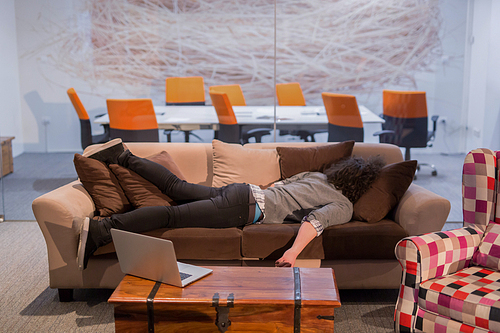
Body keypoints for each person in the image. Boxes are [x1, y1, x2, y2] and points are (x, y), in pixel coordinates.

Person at [77, 139, 385, 270]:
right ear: (362, 186)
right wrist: (292, 253)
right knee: (171, 216)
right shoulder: (342, 204)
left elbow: (279, 186)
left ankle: (122, 156)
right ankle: (101, 230)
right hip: (243, 209)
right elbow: (312, 223)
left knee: (176, 188)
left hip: (243, 192)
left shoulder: (318, 176)